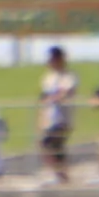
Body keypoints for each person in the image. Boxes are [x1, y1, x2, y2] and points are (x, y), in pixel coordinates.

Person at [36, 46, 77, 185]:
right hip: (49, 118)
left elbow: (67, 92)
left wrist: (54, 97)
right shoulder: (48, 78)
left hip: (62, 118)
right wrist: (41, 117)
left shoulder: (68, 76)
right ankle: (61, 175)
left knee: (54, 145)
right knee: (48, 146)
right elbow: (43, 98)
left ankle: (62, 175)